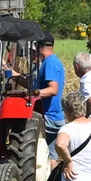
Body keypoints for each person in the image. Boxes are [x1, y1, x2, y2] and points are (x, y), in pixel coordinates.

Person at [33, 32, 65, 161]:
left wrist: (35, 93)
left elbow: (53, 89)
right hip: (56, 116)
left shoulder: (49, 63)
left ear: (39, 46)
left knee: (37, 156)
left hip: (49, 118)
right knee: (51, 158)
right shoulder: (54, 61)